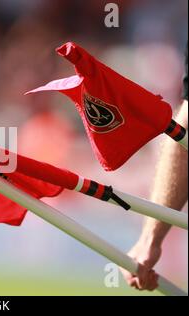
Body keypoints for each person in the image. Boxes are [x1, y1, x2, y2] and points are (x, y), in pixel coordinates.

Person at [121, 45, 188, 291]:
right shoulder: (155, 116)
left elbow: (184, 135)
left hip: (169, 191)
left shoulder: (170, 116)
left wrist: (151, 239)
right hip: (165, 191)